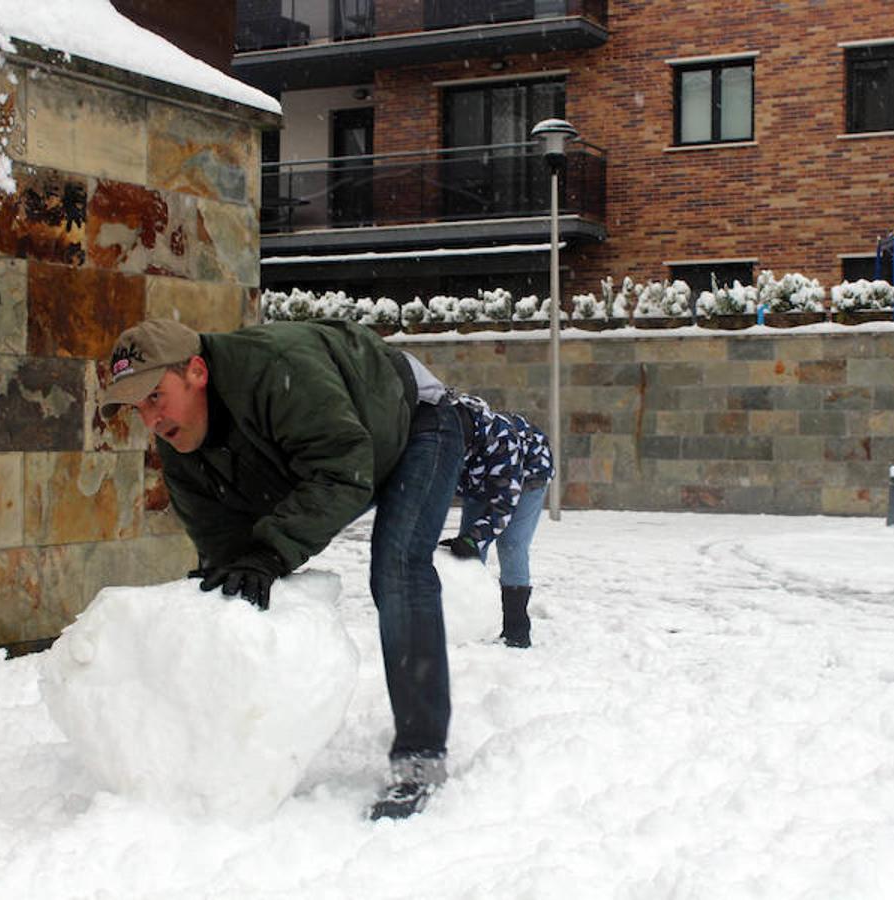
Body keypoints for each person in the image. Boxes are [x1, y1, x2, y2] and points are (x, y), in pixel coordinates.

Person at [98, 318, 465, 820]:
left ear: (197, 372)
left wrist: (271, 552)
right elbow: (223, 545)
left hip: (419, 421)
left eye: (155, 397)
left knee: (398, 567)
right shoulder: (180, 442)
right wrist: (240, 567)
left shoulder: (275, 370)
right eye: (137, 408)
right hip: (348, 448)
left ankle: (421, 758)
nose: (151, 420)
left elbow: (343, 470)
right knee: (238, 581)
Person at [438, 392, 554, 648]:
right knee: (468, 547)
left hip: (528, 474)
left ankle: (516, 630)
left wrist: (475, 538)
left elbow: (503, 504)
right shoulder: (440, 433)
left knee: (511, 544)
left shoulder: (502, 441)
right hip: (478, 481)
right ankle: (469, 623)